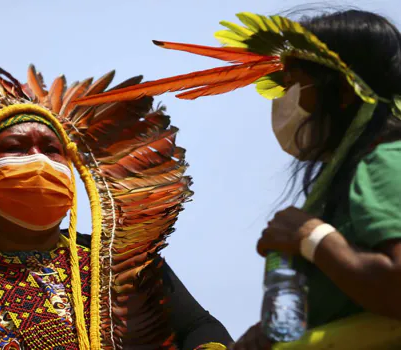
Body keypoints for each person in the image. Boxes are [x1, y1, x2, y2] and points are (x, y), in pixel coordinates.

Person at [0, 23, 232, 349]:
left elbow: (200, 327)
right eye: (15, 148)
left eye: (52, 150)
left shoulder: (122, 265)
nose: (39, 161)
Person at [76, 9, 401, 350]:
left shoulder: (384, 161)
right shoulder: (344, 179)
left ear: (346, 93)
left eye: (291, 83)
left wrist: (311, 237)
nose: (282, 99)